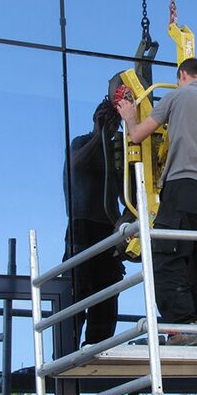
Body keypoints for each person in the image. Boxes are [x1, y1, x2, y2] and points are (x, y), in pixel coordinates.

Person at [117, 57, 197, 346]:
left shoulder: (176, 96)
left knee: (167, 255)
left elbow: (138, 135)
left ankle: (184, 327)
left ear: (182, 75)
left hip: (182, 187)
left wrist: (129, 115)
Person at [64, 98, 125, 346]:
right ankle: (67, 347)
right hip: (83, 226)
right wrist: (98, 135)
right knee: (78, 287)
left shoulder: (116, 151)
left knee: (107, 293)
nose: (111, 125)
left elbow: (124, 190)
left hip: (107, 227)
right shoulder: (81, 143)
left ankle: (99, 346)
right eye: (106, 119)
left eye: (114, 120)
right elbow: (76, 165)